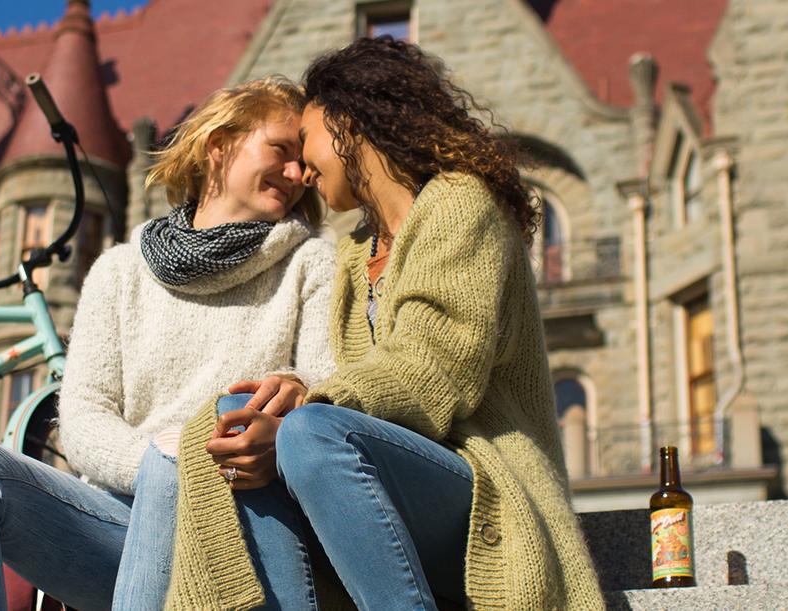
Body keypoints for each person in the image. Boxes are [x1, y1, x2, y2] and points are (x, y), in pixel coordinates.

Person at [163, 38, 603, 609]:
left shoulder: (460, 204)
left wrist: (310, 403)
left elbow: (433, 372)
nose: (299, 170)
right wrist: (287, 397)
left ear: (350, 123)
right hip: (382, 491)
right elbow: (362, 386)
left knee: (310, 431)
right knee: (229, 424)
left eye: (307, 141)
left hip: (486, 491)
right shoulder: (355, 252)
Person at [0, 76, 337, 611]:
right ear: (218, 145)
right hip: (114, 524)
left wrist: (198, 459)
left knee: (174, 453)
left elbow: (326, 385)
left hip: (238, 521)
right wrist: (162, 464)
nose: (297, 174)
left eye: (303, 162)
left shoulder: (312, 261)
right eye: (281, 151)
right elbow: (84, 417)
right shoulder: (118, 271)